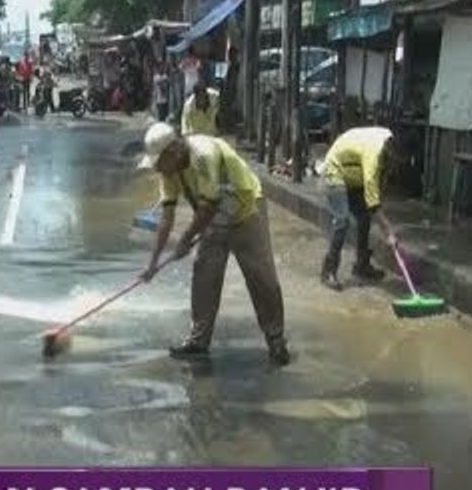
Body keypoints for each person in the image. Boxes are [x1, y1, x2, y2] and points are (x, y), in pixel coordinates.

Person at [138, 123, 290, 367]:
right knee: (204, 273)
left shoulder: (203, 154)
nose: (156, 168)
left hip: (245, 208)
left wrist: (186, 240)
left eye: (159, 162)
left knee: (261, 276)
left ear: (173, 152)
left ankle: (276, 341)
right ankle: (198, 341)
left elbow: (209, 205)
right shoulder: (169, 172)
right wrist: (152, 264)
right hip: (213, 216)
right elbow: (167, 217)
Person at [320, 127, 399, 291]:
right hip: (335, 171)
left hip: (353, 172)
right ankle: (328, 271)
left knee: (364, 219)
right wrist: (389, 232)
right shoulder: (374, 154)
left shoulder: (388, 140)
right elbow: (373, 201)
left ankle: (362, 265)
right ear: (390, 150)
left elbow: (378, 187)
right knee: (342, 220)